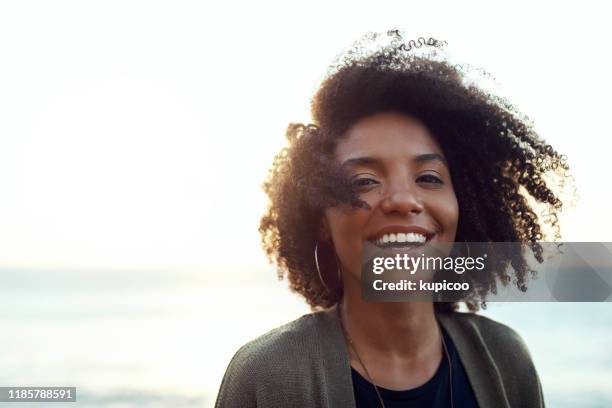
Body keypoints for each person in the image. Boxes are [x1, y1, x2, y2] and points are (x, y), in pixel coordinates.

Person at [215, 32, 572, 407]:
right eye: (365, 181)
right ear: (319, 217)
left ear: (463, 203)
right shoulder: (267, 377)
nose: (403, 200)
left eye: (429, 178)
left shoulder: (506, 360)